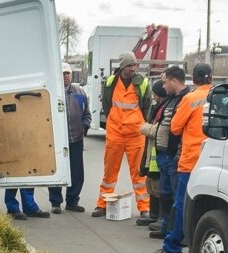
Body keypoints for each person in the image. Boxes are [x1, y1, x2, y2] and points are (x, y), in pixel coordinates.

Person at [149, 63, 213, 253]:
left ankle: (172, 247)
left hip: (191, 160)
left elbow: (175, 128)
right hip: (213, 159)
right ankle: (197, 245)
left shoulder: (190, 99)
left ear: (193, 79)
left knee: (181, 205)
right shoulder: (219, 96)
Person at [91, 52, 151, 218]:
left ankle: (144, 208)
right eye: (130, 65)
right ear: (123, 66)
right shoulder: (111, 81)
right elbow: (107, 104)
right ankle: (101, 204)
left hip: (135, 134)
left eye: (134, 65)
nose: (133, 68)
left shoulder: (142, 83)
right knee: (109, 172)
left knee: (139, 173)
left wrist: (139, 122)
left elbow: (147, 106)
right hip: (115, 132)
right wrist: (114, 120)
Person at [138, 69, 189, 235]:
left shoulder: (185, 100)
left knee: (175, 198)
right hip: (164, 155)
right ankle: (166, 227)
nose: (163, 86)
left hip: (174, 157)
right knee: (166, 195)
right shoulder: (171, 100)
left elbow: (178, 129)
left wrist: (176, 154)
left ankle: (176, 232)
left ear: (174, 81)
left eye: (165, 82)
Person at [48, 62, 91, 213]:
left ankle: (72, 201)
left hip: (76, 139)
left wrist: (84, 126)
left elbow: (87, 113)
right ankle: (55, 203)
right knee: (57, 170)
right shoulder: (51, 92)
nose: (65, 76)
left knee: (77, 171)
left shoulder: (80, 92)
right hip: (57, 140)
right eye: (63, 73)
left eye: (68, 73)